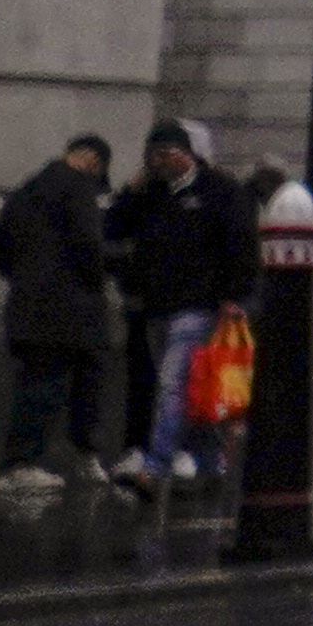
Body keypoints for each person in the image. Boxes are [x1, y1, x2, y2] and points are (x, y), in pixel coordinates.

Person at [106, 126, 249, 492]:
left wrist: (233, 295)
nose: (158, 161)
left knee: (172, 384)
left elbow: (239, 244)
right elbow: (113, 229)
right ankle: (208, 461)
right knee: (189, 385)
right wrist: (128, 193)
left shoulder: (218, 191)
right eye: (153, 154)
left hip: (198, 305)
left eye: (165, 153)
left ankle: (157, 465)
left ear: (185, 153)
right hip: (156, 306)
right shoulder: (150, 193)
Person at [0, 132, 121, 502]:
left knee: (36, 383)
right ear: (94, 162)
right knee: (76, 384)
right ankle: (31, 465)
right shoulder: (78, 188)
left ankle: (26, 463)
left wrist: (27, 277)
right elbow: (89, 246)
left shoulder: (26, 191)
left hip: (28, 307)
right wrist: (97, 277)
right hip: (72, 311)